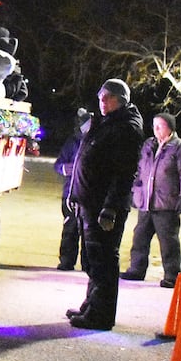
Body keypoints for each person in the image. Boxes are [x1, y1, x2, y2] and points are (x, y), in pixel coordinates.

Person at [65, 78, 144, 330]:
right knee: (91, 260)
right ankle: (92, 305)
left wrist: (110, 208)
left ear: (120, 100)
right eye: (100, 97)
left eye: (107, 98)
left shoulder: (126, 128)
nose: (102, 102)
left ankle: (101, 316)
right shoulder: (107, 123)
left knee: (103, 262)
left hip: (103, 207)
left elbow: (123, 174)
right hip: (89, 203)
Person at [120, 113, 181, 287]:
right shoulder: (148, 145)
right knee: (139, 238)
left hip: (166, 205)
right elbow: (139, 171)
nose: (156, 130)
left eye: (160, 126)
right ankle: (136, 270)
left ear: (170, 128)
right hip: (146, 203)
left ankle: (172, 276)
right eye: (154, 126)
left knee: (168, 242)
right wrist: (135, 192)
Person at [54, 107, 92, 271]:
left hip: (89, 195)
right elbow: (58, 164)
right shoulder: (73, 142)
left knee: (88, 231)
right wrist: (64, 168)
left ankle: (87, 263)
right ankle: (66, 261)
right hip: (70, 193)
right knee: (70, 228)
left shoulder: (98, 142)